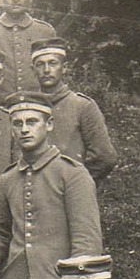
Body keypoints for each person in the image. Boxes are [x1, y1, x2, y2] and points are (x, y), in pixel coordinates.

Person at [0, 92, 104, 279]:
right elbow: (1, 234)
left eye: (32, 122)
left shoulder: (72, 174)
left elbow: (87, 243)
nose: (24, 129)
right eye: (17, 123)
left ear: (49, 124)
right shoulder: (8, 178)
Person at [29, 38, 118, 182]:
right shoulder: (27, 106)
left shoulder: (82, 106)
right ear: (33, 70)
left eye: (52, 63)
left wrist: (77, 184)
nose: (46, 70)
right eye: (40, 64)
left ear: (64, 67)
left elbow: (105, 157)